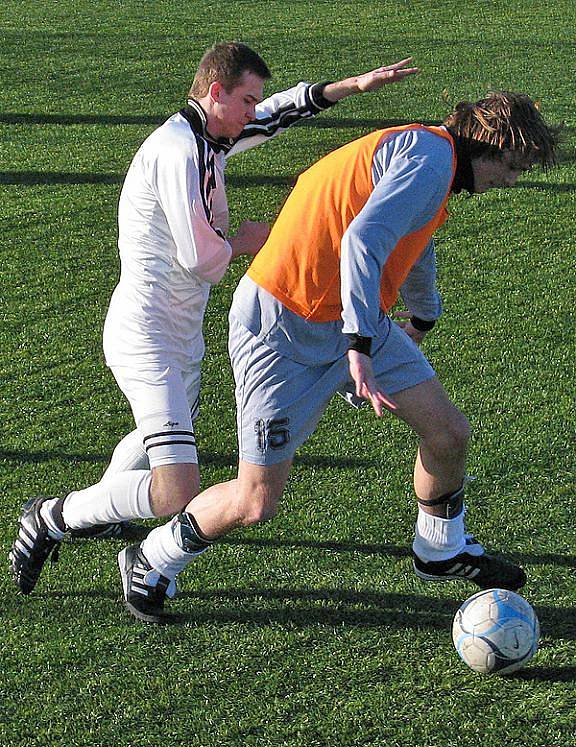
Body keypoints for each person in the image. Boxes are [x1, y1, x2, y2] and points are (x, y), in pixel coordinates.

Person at [100, 89, 555, 623]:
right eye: (514, 166)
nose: (512, 181)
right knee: (255, 501)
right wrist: (361, 345)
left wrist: (422, 316)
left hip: (348, 319)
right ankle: (151, 558)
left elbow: (411, 237)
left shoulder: (432, 159)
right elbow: (363, 242)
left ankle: (440, 547)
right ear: (492, 147)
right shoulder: (431, 161)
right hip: (281, 328)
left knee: (448, 432)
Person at [9, 42, 418, 608]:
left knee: (156, 443)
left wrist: (350, 86)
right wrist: (266, 238)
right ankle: (52, 516)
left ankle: (99, 513)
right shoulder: (181, 152)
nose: (253, 112)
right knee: (177, 488)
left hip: (181, 332)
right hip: (146, 334)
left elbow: (276, 114)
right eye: (245, 99)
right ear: (215, 91)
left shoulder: (208, 134)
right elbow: (200, 257)